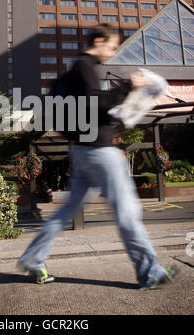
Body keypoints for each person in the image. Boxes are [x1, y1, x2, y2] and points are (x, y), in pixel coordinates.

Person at [17, 23, 179, 289]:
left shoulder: (75, 70)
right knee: (127, 212)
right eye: (113, 47)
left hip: (81, 151)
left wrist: (122, 117)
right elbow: (96, 104)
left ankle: (32, 258)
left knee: (66, 211)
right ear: (101, 40)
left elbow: (90, 109)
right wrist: (129, 87)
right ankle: (150, 273)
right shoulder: (86, 66)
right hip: (100, 152)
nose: (113, 53)